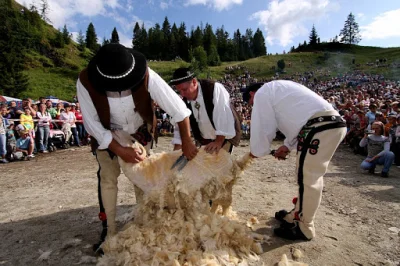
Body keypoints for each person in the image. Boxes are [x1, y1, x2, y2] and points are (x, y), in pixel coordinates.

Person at [76, 43, 198, 247]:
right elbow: (91, 124)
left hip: (139, 131)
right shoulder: (85, 81)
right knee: (107, 178)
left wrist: (186, 140)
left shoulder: (146, 74)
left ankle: (144, 221)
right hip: (107, 133)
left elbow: (178, 109)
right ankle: (109, 231)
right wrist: (118, 149)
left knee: (143, 177)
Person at [242, 80, 346, 241]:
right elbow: (295, 122)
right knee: (304, 174)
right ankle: (296, 215)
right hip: (323, 125)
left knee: (309, 177)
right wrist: (286, 146)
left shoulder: (263, 93)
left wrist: (257, 150)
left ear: (251, 94)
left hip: (320, 126)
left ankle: (305, 227)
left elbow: (264, 126)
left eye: (250, 104)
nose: (252, 106)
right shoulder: (277, 89)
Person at [169, 67, 241, 154]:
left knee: (219, 166)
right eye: (179, 90)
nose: (182, 94)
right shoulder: (183, 101)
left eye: (184, 89)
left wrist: (218, 141)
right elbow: (180, 124)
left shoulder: (213, 88)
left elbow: (222, 114)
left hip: (223, 139)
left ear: (194, 82)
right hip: (204, 141)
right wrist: (177, 149)